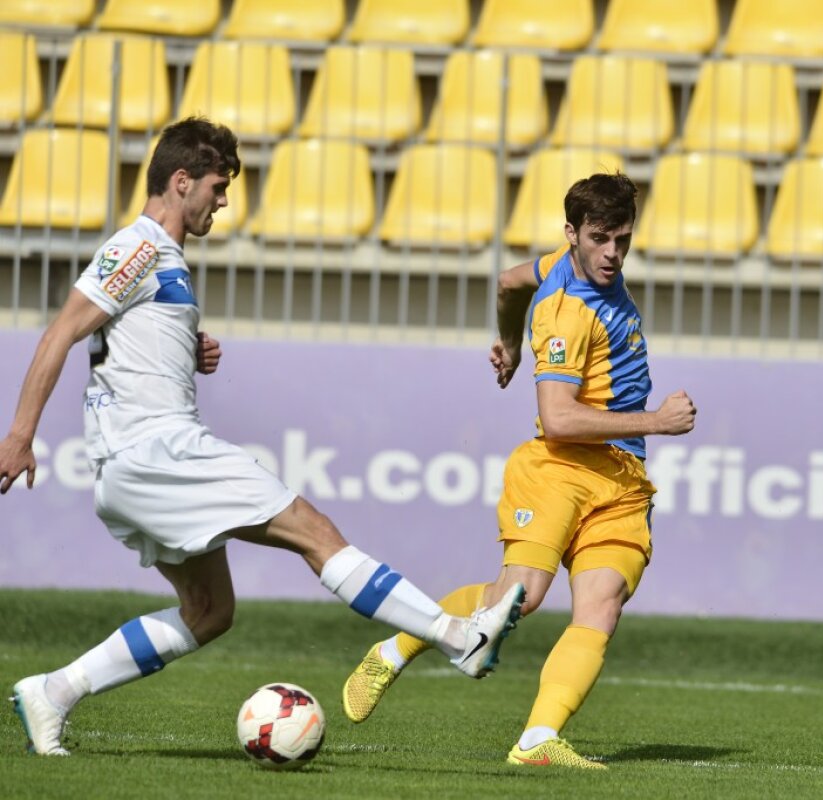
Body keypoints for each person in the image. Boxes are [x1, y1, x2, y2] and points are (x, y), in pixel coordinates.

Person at [0, 117, 524, 757]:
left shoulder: (162, 260)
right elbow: (61, 333)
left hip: (133, 465)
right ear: (181, 180)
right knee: (314, 529)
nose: (223, 201)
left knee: (209, 610)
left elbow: (121, 337)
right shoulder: (136, 247)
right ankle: (456, 636)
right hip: (158, 450)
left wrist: (183, 345)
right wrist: (20, 436)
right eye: (218, 187)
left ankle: (52, 692)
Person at [341, 173, 697, 768]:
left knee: (601, 603)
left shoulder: (568, 261)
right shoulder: (565, 314)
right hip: (560, 467)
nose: (613, 253)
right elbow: (557, 418)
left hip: (622, 478)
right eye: (600, 238)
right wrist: (656, 421)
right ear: (573, 233)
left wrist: (506, 341)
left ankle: (537, 740)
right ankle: (394, 650)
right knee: (520, 599)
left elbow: (509, 282)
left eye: (623, 239)